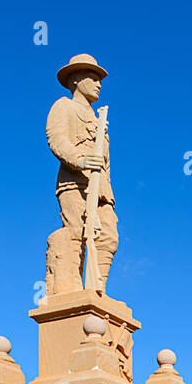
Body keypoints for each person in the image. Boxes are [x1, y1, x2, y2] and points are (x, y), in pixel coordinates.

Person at [45, 53, 118, 295]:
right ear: (75, 79)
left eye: (100, 79)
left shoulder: (99, 120)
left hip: (101, 189)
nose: (99, 83)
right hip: (74, 182)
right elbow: (56, 139)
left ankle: (97, 292)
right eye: (92, 77)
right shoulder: (63, 106)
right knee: (78, 234)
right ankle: (73, 292)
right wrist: (80, 160)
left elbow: (106, 163)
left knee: (108, 236)